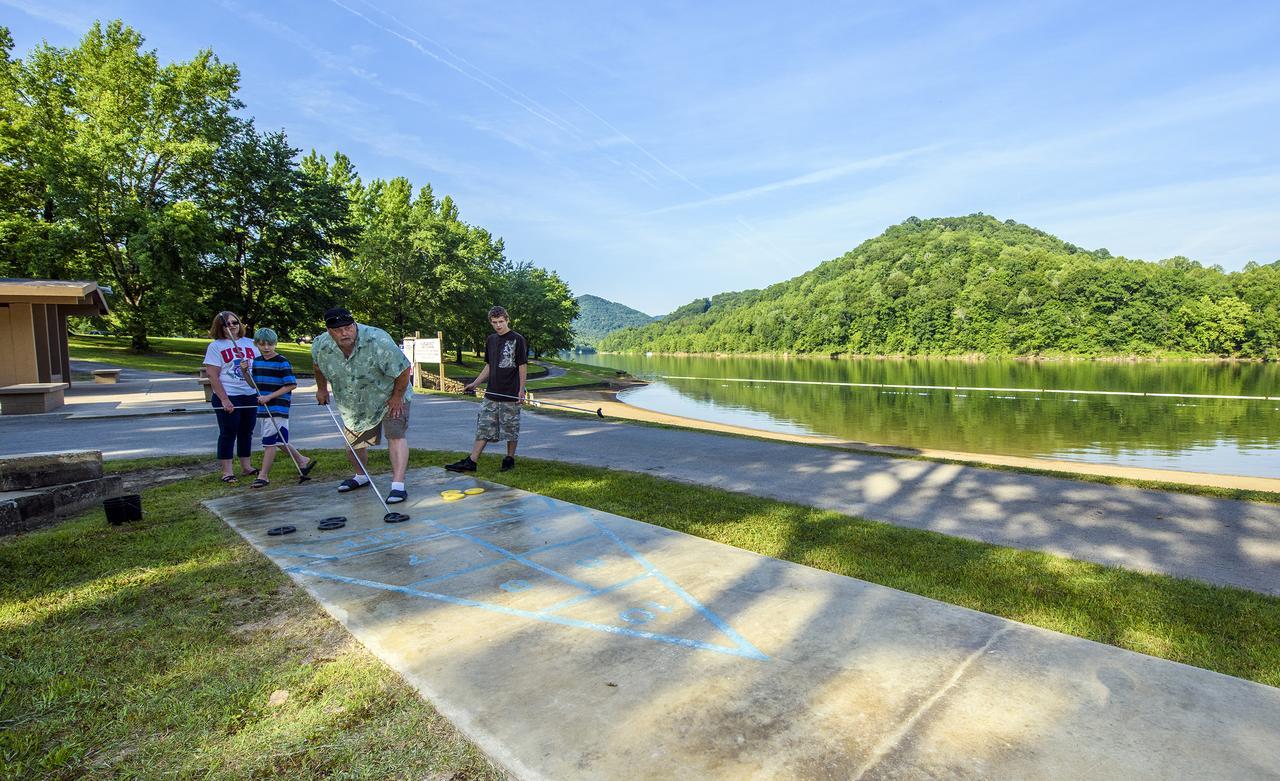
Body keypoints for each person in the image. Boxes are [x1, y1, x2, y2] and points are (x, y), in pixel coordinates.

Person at [311, 307, 412, 503]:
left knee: (396, 434)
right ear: (329, 331)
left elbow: (403, 369)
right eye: (338, 330)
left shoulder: (377, 340)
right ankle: (361, 476)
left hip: (389, 394)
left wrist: (397, 397)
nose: (344, 333)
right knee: (354, 441)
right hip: (353, 400)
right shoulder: (320, 345)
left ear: (354, 324)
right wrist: (321, 389)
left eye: (348, 327)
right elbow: (317, 366)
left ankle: (398, 485)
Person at [446, 306, 528, 473]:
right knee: (484, 426)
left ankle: (509, 458)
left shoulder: (517, 339)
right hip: (492, 393)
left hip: (510, 392)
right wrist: (475, 383)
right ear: (491, 323)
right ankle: (472, 461)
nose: (498, 326)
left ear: (507, 320)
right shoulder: (491, 340)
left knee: (510, 428)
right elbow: (489, 366)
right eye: (494, 323)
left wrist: (521, 389)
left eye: (501, 322)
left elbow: (522, 366)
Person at [249, 328, 316, 488]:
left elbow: (291, 384)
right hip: (264, 407)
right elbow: (254, 384)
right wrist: (245, 372)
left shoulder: (282, 361)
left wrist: (269, 397)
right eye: (262, 344)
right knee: (279, 440)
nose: (266, 347)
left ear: (275, 344)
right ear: (256, 344)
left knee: (269, 443)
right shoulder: (257, 361)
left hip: (278, 407)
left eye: (270, 344)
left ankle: (263, 476)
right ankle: (301, 460)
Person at [203, 311, 259, 484]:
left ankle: (246, 466)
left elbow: (259, 368)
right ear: (220, 327)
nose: (232, 326)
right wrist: (224, 399)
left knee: (246, 432)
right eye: (227, 324)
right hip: (229, 394)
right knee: (228, 432)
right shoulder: (215, 346)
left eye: (235, 322)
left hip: (249, 393)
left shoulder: (251, 343)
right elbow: (212, 375)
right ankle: (227, 471)